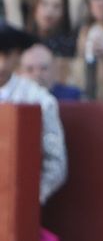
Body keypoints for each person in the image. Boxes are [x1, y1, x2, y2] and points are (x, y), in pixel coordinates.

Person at [0, 25, 64, 204]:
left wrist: (28, 200)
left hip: (17, 200)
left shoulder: (39, 99)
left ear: (16, 56)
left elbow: (55, 162)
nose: (1, 63)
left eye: (6, 55)